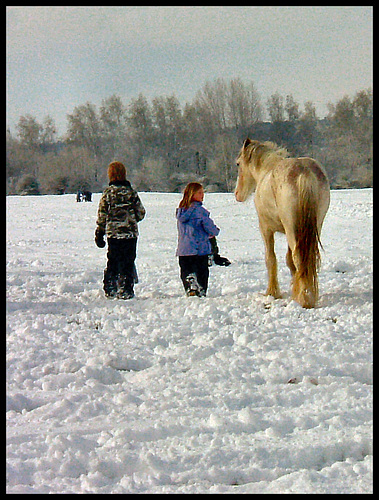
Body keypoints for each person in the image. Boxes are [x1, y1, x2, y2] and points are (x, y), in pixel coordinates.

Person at [95, 161, 145, 299]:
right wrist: (131, 219)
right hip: (130, 234)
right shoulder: (131, 193)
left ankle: (111, 286)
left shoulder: (108, 193)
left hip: (113, 234)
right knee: (128, 260)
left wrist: (100, 231)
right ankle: (126, 288)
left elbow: (102, 213)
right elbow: (141, 212)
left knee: (113, 259)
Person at [176, 182, 220, 297]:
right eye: (200, 192)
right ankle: (200, 289)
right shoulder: (200, 211)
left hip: (184, 249)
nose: (202, 195)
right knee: (202, 273)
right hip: (200, 249)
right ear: (192, 194)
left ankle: (190, 286)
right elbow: (211, 229)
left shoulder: (181, 211)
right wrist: (215, 231)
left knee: (186, 270)